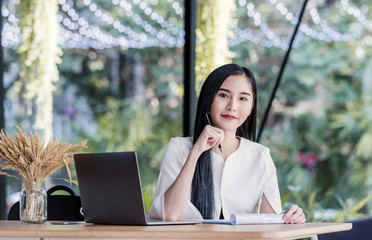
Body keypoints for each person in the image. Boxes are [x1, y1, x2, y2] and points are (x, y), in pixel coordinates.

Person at [148, 63, 306, 224]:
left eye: (243, 98)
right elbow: (169, 215)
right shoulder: (180, 148)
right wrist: (196, 152)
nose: (232, 107)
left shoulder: (259, 155)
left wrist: (289, 216)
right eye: (223, 95)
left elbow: (270, 222)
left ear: (251, 107)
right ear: (209, 98)